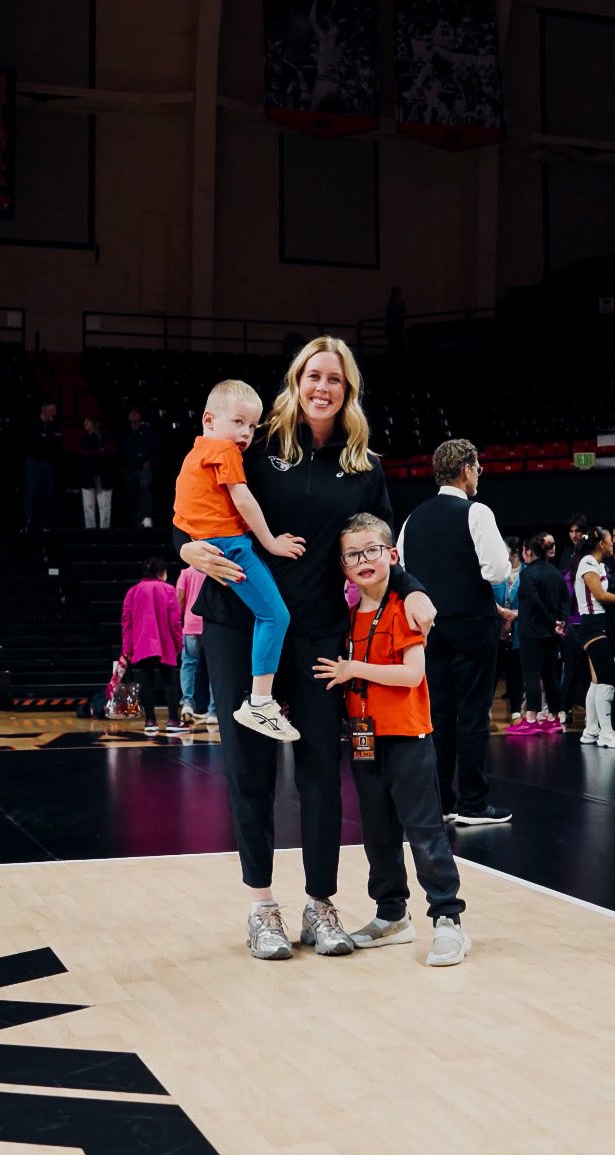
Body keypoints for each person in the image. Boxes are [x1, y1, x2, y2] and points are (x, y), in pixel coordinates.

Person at [175, 336, 435, 961]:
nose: (323, 388)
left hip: (319, 634)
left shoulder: (363, 466)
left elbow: (378, 546)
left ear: (349, 392)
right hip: (238, 623)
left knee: (322, 771)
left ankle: (321, 905)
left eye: (335, 380)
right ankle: (262, 907)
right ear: (296, 382)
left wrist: (414, 589)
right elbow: (199, 504)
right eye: (313, 376)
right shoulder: (255, 447)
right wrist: (185, 550)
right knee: (251, 770)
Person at [313, 513, 469, 967]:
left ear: (392, 556)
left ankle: (448, 920)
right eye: (353, 554)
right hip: (365, 740)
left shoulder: (406, 608)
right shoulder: (346, 618)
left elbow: (412, 674)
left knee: (424, 832)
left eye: (372, 550)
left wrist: (353, 669)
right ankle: (391, 915)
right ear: (343, 566)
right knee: (378, 835)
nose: (363, 560)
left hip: (407, 738)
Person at [174, 380, 306, 742]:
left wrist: (190, 546)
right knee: (275, 616)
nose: (245, 433)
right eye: (238, 422)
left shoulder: (193, 456)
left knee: (269, 615)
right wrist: (271, 542)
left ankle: (261, 700)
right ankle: (261, 701)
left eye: (252, 426)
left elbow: (180, 517)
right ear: (209, 419)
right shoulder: (225, 451)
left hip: (217, 542)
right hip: (232, 546)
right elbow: (244, 499)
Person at [398, 438, 512, 826]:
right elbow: (497, 571)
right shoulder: (476, 512)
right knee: (473, 715)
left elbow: (405, 576)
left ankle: (443, 800)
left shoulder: (412, 518)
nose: (479, 474)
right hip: (472, 626)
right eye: (477, 467)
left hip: (430, 629)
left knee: (439, 716)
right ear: (466, 469)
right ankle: (474, 803)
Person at [574, 527, 615, 749]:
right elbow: (599, 595)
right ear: (601, 544)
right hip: (593, 625)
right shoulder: (587, 563)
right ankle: (606, 734)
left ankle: (591, 730)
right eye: (610, 540)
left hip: (599, 624)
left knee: (597, 680)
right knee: (607, 677)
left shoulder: (598, 564)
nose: (613, 543)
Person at [507, 534, 569, 736]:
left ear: (529, 552)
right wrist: (560, 622)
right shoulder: (555, 572)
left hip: (532, 632)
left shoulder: (527, 574)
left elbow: (534, 602)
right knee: (550, 675)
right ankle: (554, 718)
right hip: (553, 633)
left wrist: (552, 623)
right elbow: (565, 600)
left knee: (532, 675)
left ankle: (532, 719)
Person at [120, 558, 184, 736]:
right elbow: (175, 621)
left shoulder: (132, 592)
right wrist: (178, 642)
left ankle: (150, 721)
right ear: (161, 572)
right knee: (170, 683)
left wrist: (127, 647)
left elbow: (126, 623)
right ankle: (172, 720)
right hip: (165, 643)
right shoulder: (169, 589)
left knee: (145, 684)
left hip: (141, 644)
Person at [175, 565, 217, 726]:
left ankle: (187, 704)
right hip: (211, 625)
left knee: (189, 664)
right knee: (214, 669)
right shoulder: (213, 569)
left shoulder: (186, 572)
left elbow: (179, 597)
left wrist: (184, 615)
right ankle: (213, 711)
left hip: (191, 624)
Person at [493, 536, 523, 726]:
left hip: (519, 631)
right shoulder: (496, 574)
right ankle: (486, 711)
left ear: (514, 552)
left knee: (516, 673)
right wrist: (502, 612)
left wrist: (516, 614)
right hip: (497, 630)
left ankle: (516, 713)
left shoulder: (526, 573)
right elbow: (486, 596)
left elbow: (531, 600)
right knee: (493, 672)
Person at [22, 402, 63, 532]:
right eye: (52, 410)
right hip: (34, 462)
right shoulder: (33, 423)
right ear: (44, 409)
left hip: (49, 463)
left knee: (48, 493)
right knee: (32, 492)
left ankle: (45, 522)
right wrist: (49, 438)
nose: (54, 413)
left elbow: (59, 440)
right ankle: (28, 520)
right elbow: (34, 440)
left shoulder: (55, 425)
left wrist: (46, 437)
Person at [121, 407, 160, 528]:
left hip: (144, 467)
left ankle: (147, 517)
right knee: (132, 493)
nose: (133, 415)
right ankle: (137, 520)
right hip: (130, 469)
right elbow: (123, 451)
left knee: (144, 488)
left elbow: (154, 448)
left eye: (136, 413)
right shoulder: (125, 432)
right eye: (131, 413)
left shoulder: (148, 431)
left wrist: (149, 461)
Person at [78, 417, 114, 529]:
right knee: (88, 507)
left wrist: (93, 453)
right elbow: (81, 453)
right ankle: (90, 531)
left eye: (88, 422)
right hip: (88, 476)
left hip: (103, 475)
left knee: (104, 506)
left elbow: (108, 452)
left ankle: (104, 531)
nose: (85, 424)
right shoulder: (83, 438)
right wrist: (96, 452)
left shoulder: (104, 437)